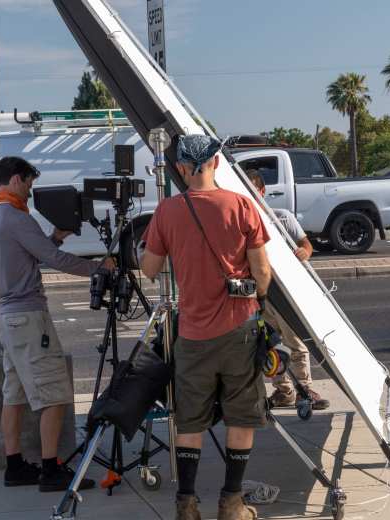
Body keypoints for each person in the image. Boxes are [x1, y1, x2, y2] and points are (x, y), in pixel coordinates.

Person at [141, 135, 272, 520]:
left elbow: (149, 269)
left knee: (190, 419)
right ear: (216, 161)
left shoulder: (166, 211)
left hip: (193, 335)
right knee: (241, 416)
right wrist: (256, 292)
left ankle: (187, 504)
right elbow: (262, 273)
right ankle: (231, 503)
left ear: (181, 167)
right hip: (239, 331)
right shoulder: (242, 205)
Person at [0, 156, 115, 493]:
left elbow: (31, 256)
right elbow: (53, 260)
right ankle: (51, 470)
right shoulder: (15, 217)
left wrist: (54, 237)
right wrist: (99, 267)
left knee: (15, 395)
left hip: (9, 317)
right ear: (14, 179)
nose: (29, 191)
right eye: (27, 183)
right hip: (29, 318)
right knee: (55, 395)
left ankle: (15, 467)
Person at [245, 169, 330, 411]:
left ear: (261, 191)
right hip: (259, 294)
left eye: (253, 190)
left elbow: (306, 244)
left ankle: (304, 388)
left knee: (295, 342)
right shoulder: (242, 220)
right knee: (268, 344)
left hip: (284, 293)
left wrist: (304, 252)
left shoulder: (281, 217)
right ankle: (284, 391)